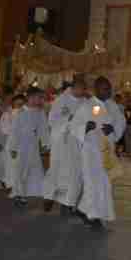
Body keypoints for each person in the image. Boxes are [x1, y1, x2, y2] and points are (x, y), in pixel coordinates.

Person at [72, 77, 125, 230]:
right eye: (104, 88)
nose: (108, 91)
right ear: (96, 89)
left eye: (109, 88)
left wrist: (113, 129)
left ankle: (86, 210)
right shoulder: (87, 105)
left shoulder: (113, 106)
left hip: (106, 152)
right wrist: (85, 127)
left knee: (104, 183)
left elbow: (121, 122)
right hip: (90, 151)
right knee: (91, 182)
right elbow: (74, 125)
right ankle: (92, 216)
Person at [42, 76, 91, 215]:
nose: (82, 90)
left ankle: (68, 202)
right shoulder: (61, 100)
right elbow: (52, 119)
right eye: (80, 87)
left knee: (75, 172)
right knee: (56, 169)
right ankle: (49, 197)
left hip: (76, 142)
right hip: (61, 141)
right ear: (74, 87)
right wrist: (67, 120)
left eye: (84, 88)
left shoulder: (86, 102)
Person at [7, 88, 48, 207]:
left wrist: (45, 143)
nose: (40, 100)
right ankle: (19, 194)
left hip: (33, 145)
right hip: (20, 146)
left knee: (33, 168)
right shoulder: (20, 112)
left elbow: (43, 129)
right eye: (38, 97)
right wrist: (13, 147)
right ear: (30, 98)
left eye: (41, 98)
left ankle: (30, 191)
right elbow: (14, 131)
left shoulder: (40, 113)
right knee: (20, 170)